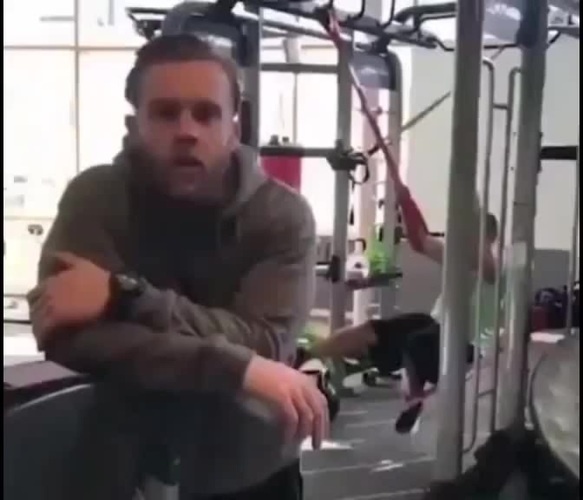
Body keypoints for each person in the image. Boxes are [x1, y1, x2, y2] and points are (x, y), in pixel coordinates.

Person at [26, 34, 328, 500]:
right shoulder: (96, 199)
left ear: (234, 127)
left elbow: (264, 343)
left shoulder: (281, 215)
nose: (187, 131)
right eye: (166, 113)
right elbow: (68, 336)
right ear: (134, 126)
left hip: (249, 470)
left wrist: (123, 296)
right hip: (115, 469)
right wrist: (234, 367)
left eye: (206, 114)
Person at [308, 193, 500, 434]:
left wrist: (471, 203)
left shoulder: (494, 267)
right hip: (435, 323)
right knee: (371, 331)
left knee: (417, 342)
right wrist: (403, 194)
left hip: (464, 344)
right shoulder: (460, 259)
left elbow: (483, 261)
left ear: (487, 238)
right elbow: (420, 241)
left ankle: (415, 398)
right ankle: (304, 356)